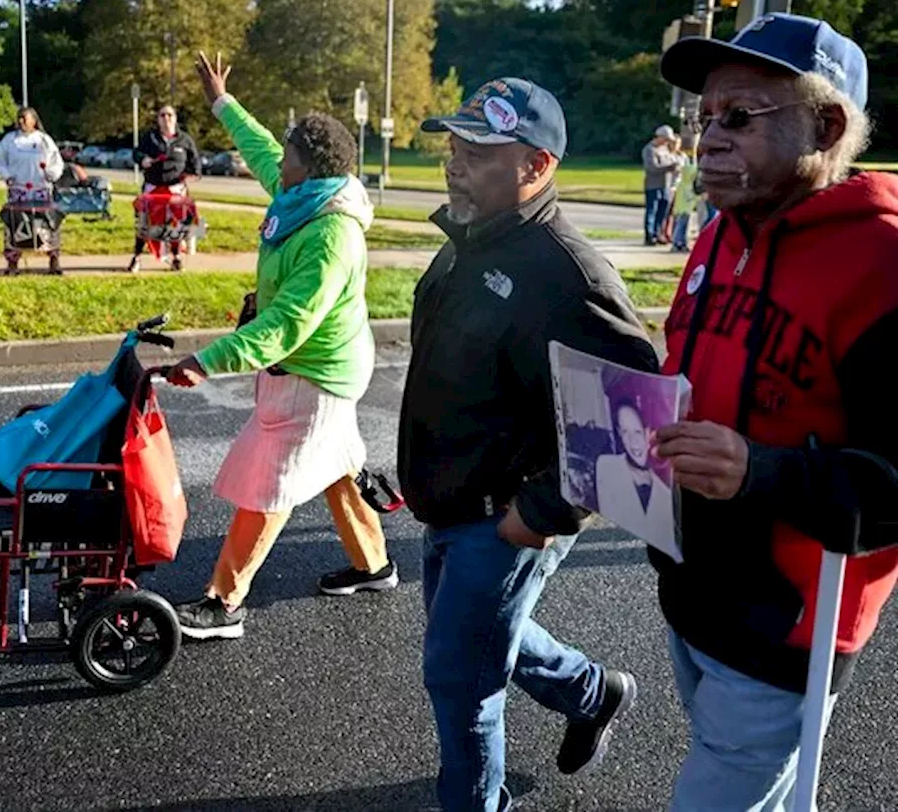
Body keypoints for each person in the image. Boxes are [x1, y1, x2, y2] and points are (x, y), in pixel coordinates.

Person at [652, 12, 898, 811]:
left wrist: (760, 470)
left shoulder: (883, 259)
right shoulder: (719, 234)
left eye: (740, 117)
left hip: (789, 624)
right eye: (704, 118)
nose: (709, 140)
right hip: (691, 589)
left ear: (825, 126)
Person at [407, 77, 661, 812]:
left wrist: (540, 511)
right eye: (453, 146)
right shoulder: (468, 237)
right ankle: (594, 690)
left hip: (507, 515)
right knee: (482, 640)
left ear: (536, 165)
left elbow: (632, 422)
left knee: (460, 677)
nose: (454, 162)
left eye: (477, 151)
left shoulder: (565, 270)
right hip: (451, 499)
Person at [164, 52, 396, 640]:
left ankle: (224, 603)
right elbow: (260, 144)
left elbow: (290, 323)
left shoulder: (330, 235)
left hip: (315, 374)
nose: (278, 157)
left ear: (308, 169)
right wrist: (221, 99)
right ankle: (376, 566)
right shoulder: (302, 194)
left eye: (290, 151)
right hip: (319, 365)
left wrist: (208, 360)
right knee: (339, 469)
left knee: (273, 484)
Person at [129, 103, 203, 272]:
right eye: (162, 115)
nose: (166, 119)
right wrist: (143, 159)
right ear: (158, 119)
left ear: (175, 118)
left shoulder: (184, 140)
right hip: (153, 188)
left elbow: (195, 162)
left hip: (175, 189)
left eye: (169, 115)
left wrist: (194, 175)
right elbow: (136, 153)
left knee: (175, 224)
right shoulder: (150, 138)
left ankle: (176, 257)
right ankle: (137, 257)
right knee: (144, 223)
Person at [0, 106, 64, 275]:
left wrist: (51, 174)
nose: (21, 121)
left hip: (41, 190)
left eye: (25, 118)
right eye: (19, 118)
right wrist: (7, 176)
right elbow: (0, 162)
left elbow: (57, 162)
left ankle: (54, 260)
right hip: (18, 191)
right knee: (14, 226)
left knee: (48, 225)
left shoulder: (44, 140)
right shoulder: (9, 140)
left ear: (34, 120)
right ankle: (12, 263)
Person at [595, 398, 674, 543]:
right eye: (625, 432)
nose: (633, 441)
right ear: (619, 433)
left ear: (648, 432)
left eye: (637, 432)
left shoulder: (663, 490)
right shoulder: (606, 466)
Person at [643, 124, 684, 246]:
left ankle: (658, 233)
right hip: (653, 184)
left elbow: (671, 160)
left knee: (663, 211)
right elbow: (652, 167)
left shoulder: (664, 149)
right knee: (652, 210)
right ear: (659, 136)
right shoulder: (649, 149)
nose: (666, 142)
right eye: (665, 139)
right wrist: (670, 167)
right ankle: (650, 235)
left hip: (666, 184)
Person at [668, 147, 703, 252]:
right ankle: (676, 242)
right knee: (681, 226)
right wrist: (699, 197)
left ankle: (681, 242)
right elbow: (691, 196)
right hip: (684, 209)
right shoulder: (687, 186)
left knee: (684, 226)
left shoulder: (683, 184)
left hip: (684, 208)